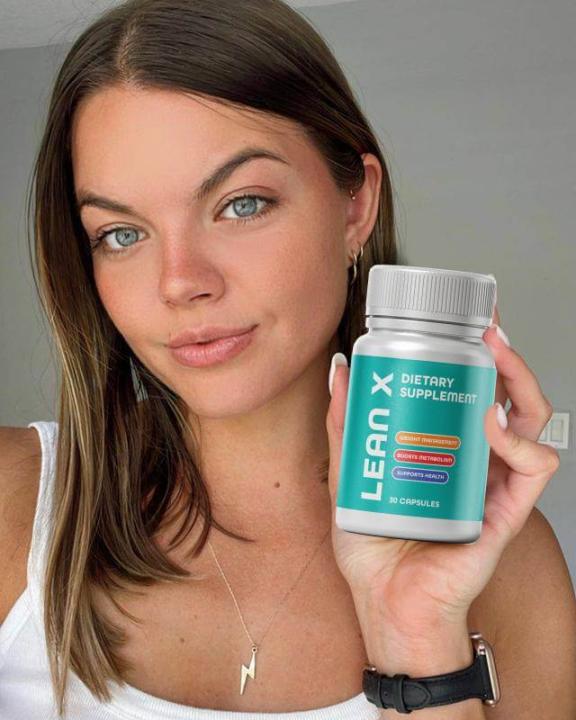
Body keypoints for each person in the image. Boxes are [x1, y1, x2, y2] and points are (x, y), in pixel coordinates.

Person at [1, 0, 575, 718]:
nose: (180, 282)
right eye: (121, 233)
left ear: (355, 206)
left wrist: (418, 635)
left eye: (241, 204)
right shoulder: (12, 502)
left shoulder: (506, 570)